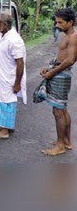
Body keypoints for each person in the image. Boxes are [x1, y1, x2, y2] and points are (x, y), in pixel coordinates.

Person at [35, 8, 77, 156]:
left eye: (60, 22)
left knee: (57, 110)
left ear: (70, 22)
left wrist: (52, 72)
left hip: (61, 75)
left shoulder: (73, 37)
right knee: (63, 109)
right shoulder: (67, 35)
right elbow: (61, 57)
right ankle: (66, 141)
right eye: (56, 21)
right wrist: (49, 67)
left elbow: (71, 59)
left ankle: (60, 145)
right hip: (58, 71)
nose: (57, 25)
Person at [0, 13, 27, 140]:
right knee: (0, 99)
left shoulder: (14, 40)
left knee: (7, 100)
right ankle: (3, 125)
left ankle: (4, 131)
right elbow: (3, 56)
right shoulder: (3, 35)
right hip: (2, 75)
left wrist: (17, 83)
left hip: (9, 77)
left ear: (5, 25)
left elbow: (20, 63)